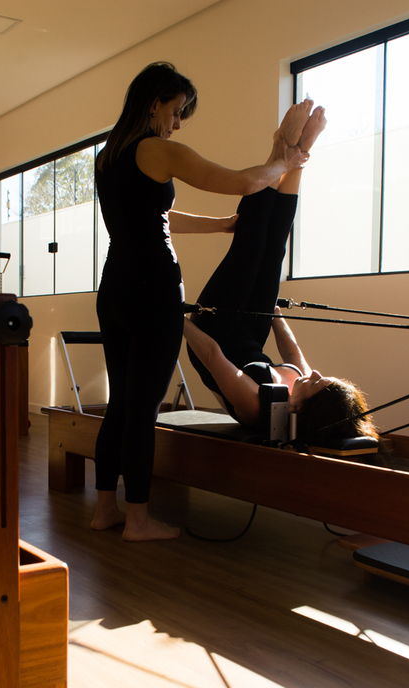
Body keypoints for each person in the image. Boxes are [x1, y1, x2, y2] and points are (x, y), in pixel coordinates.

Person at [92, 62, 310, 541]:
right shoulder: (159, 149)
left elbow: (156, 215)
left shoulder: (109, 156)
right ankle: (138, 521)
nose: (177, 122)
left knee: (120, 405)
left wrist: (219, 225)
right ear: (155, 102)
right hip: (153, 287)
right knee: (144, 408)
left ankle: (104, 508)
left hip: (114, 287)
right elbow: (239, 180)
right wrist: (284, 164)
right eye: (176, 111)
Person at [182, 105, 378, 446]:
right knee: (274, 251)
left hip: (215, 331)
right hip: (251, 329)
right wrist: (271, 303)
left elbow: (213, 357)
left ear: (303, 409)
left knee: (250, 246)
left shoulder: (258, 407)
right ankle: (300, 154)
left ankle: (281, 153)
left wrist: (178, 317)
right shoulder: (300, 381)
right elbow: (290, 348)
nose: (314, 373)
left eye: (318, 383)